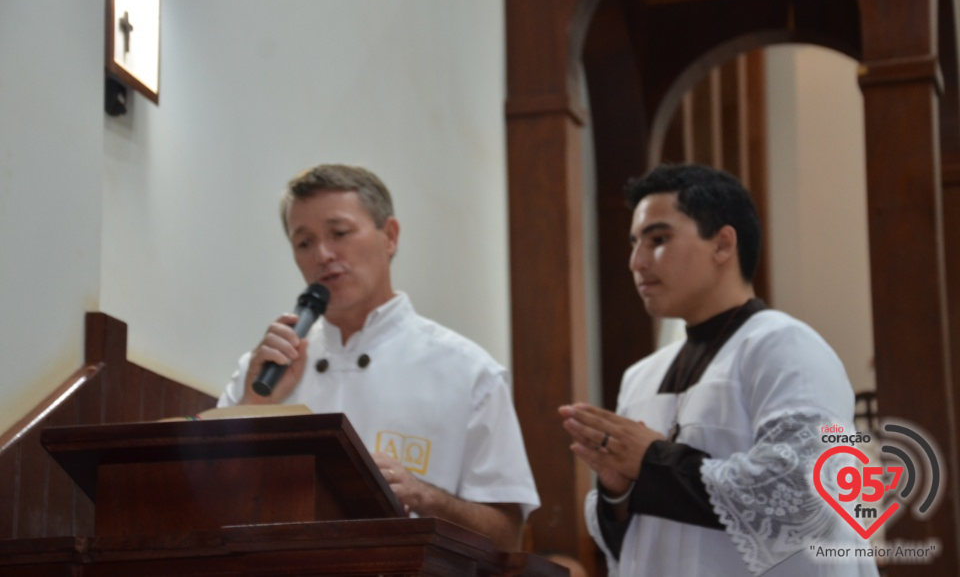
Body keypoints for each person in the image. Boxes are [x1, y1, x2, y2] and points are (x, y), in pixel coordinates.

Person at [559, 164, 878, 576]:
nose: (636, 262)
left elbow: (805, 494)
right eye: (634, 243)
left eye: (657, 239)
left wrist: (653, 461)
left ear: (723, 244)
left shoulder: (785, 346)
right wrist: (617, 493)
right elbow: (636, 544)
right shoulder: (640, 376)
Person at [218, 164, 539, 551]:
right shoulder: (265, 369)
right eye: (304, 243)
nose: (322, 254)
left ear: (390, 236)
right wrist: (255, 404)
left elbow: (507, 535)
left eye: (339, 233)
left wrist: (424, 495)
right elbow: (211, 500)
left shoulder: (470, 372)